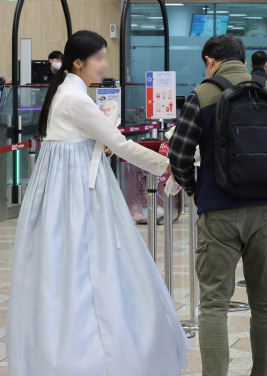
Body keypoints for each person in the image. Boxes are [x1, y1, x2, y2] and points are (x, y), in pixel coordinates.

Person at [6, 30, 190, 376]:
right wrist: (168, 165)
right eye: (100, 58)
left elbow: (86, 142)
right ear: (79, 62)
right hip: (79, 195)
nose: (105, 65)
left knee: (65, 268)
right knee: (93, 265)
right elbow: (120, 145)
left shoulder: (65, 93)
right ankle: (97, 351)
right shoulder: (77, 99)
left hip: (66, 193)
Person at [168, 35, 267, 376]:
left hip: (218, 210)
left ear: (210, 60)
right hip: (266, 211)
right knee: (265, 303)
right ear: (244, 59)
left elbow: (179, 155)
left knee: (214, 305)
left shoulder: (203, 93)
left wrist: (196, 190)